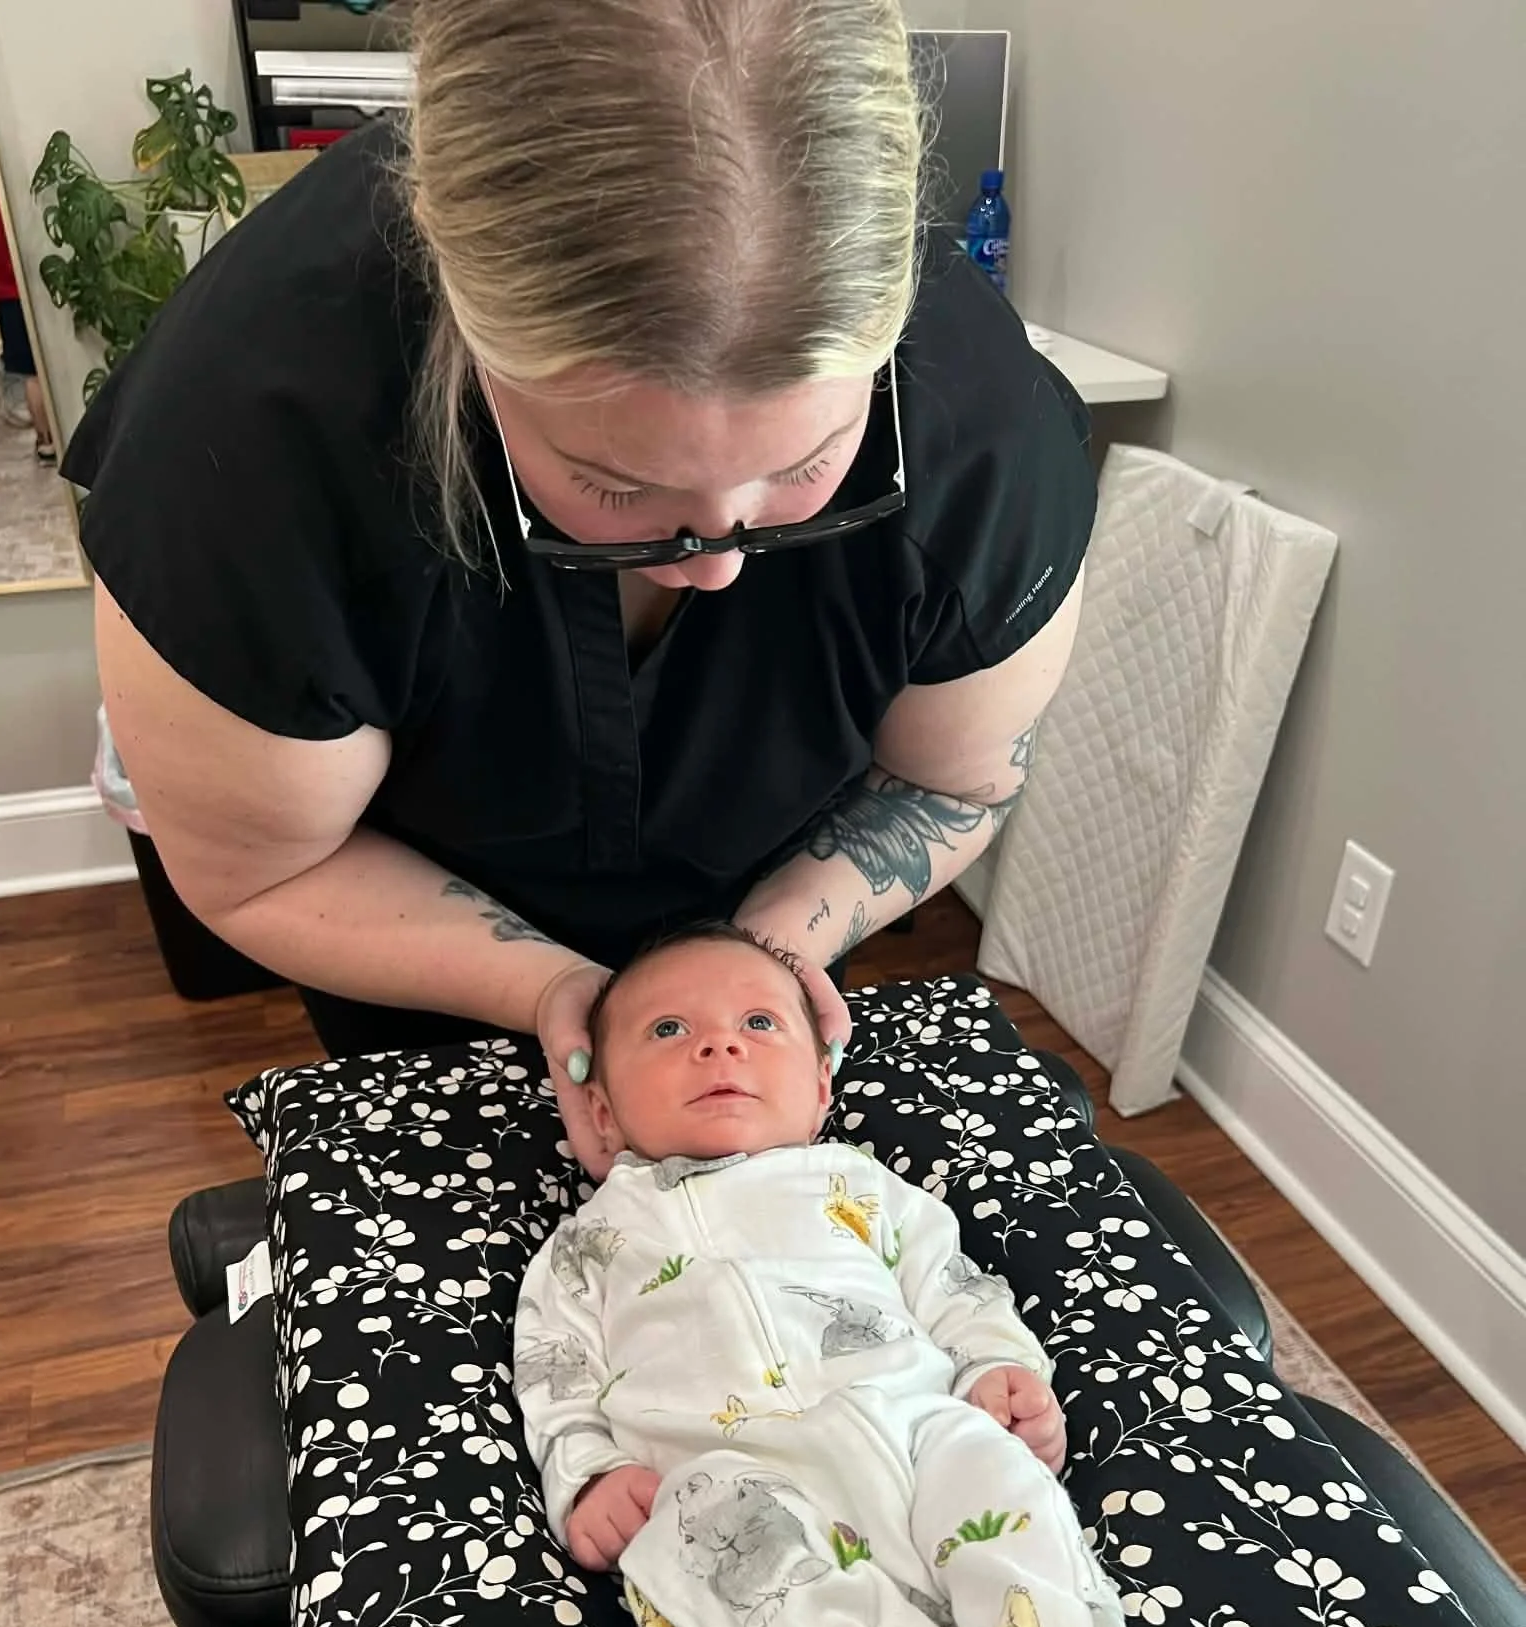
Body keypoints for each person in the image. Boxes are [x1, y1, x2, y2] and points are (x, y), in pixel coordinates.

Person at [66, 0, 1096, 1178]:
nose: (714, 566)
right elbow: (268, 868)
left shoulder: (980, 428)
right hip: (412, 981)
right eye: (615, 486)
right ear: (463, 348)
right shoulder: (248, 447)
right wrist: (560, 991)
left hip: (776, 927)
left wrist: (742, 983)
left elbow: (950, 782)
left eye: (808, 468)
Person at [515, 925, 1246, 1627]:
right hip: (736, 1484)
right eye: (671, 1028)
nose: (718, 1046)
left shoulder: (863, 1187)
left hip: (914, 1428)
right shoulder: (585, 1247)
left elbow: (958, 1290)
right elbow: (554, 1374)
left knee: (1004, 1491)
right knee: (694, 1541)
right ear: (600, 1107)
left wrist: (998, 1370)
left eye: (759, 1023)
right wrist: (589, 1474)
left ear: (820, 1089)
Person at [0, 183, 55, 462]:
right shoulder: (14, 189)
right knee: (48, 369)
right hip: (39, 290)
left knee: (31, 374)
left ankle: (44, 441)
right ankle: (59, 438)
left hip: (7, 296)